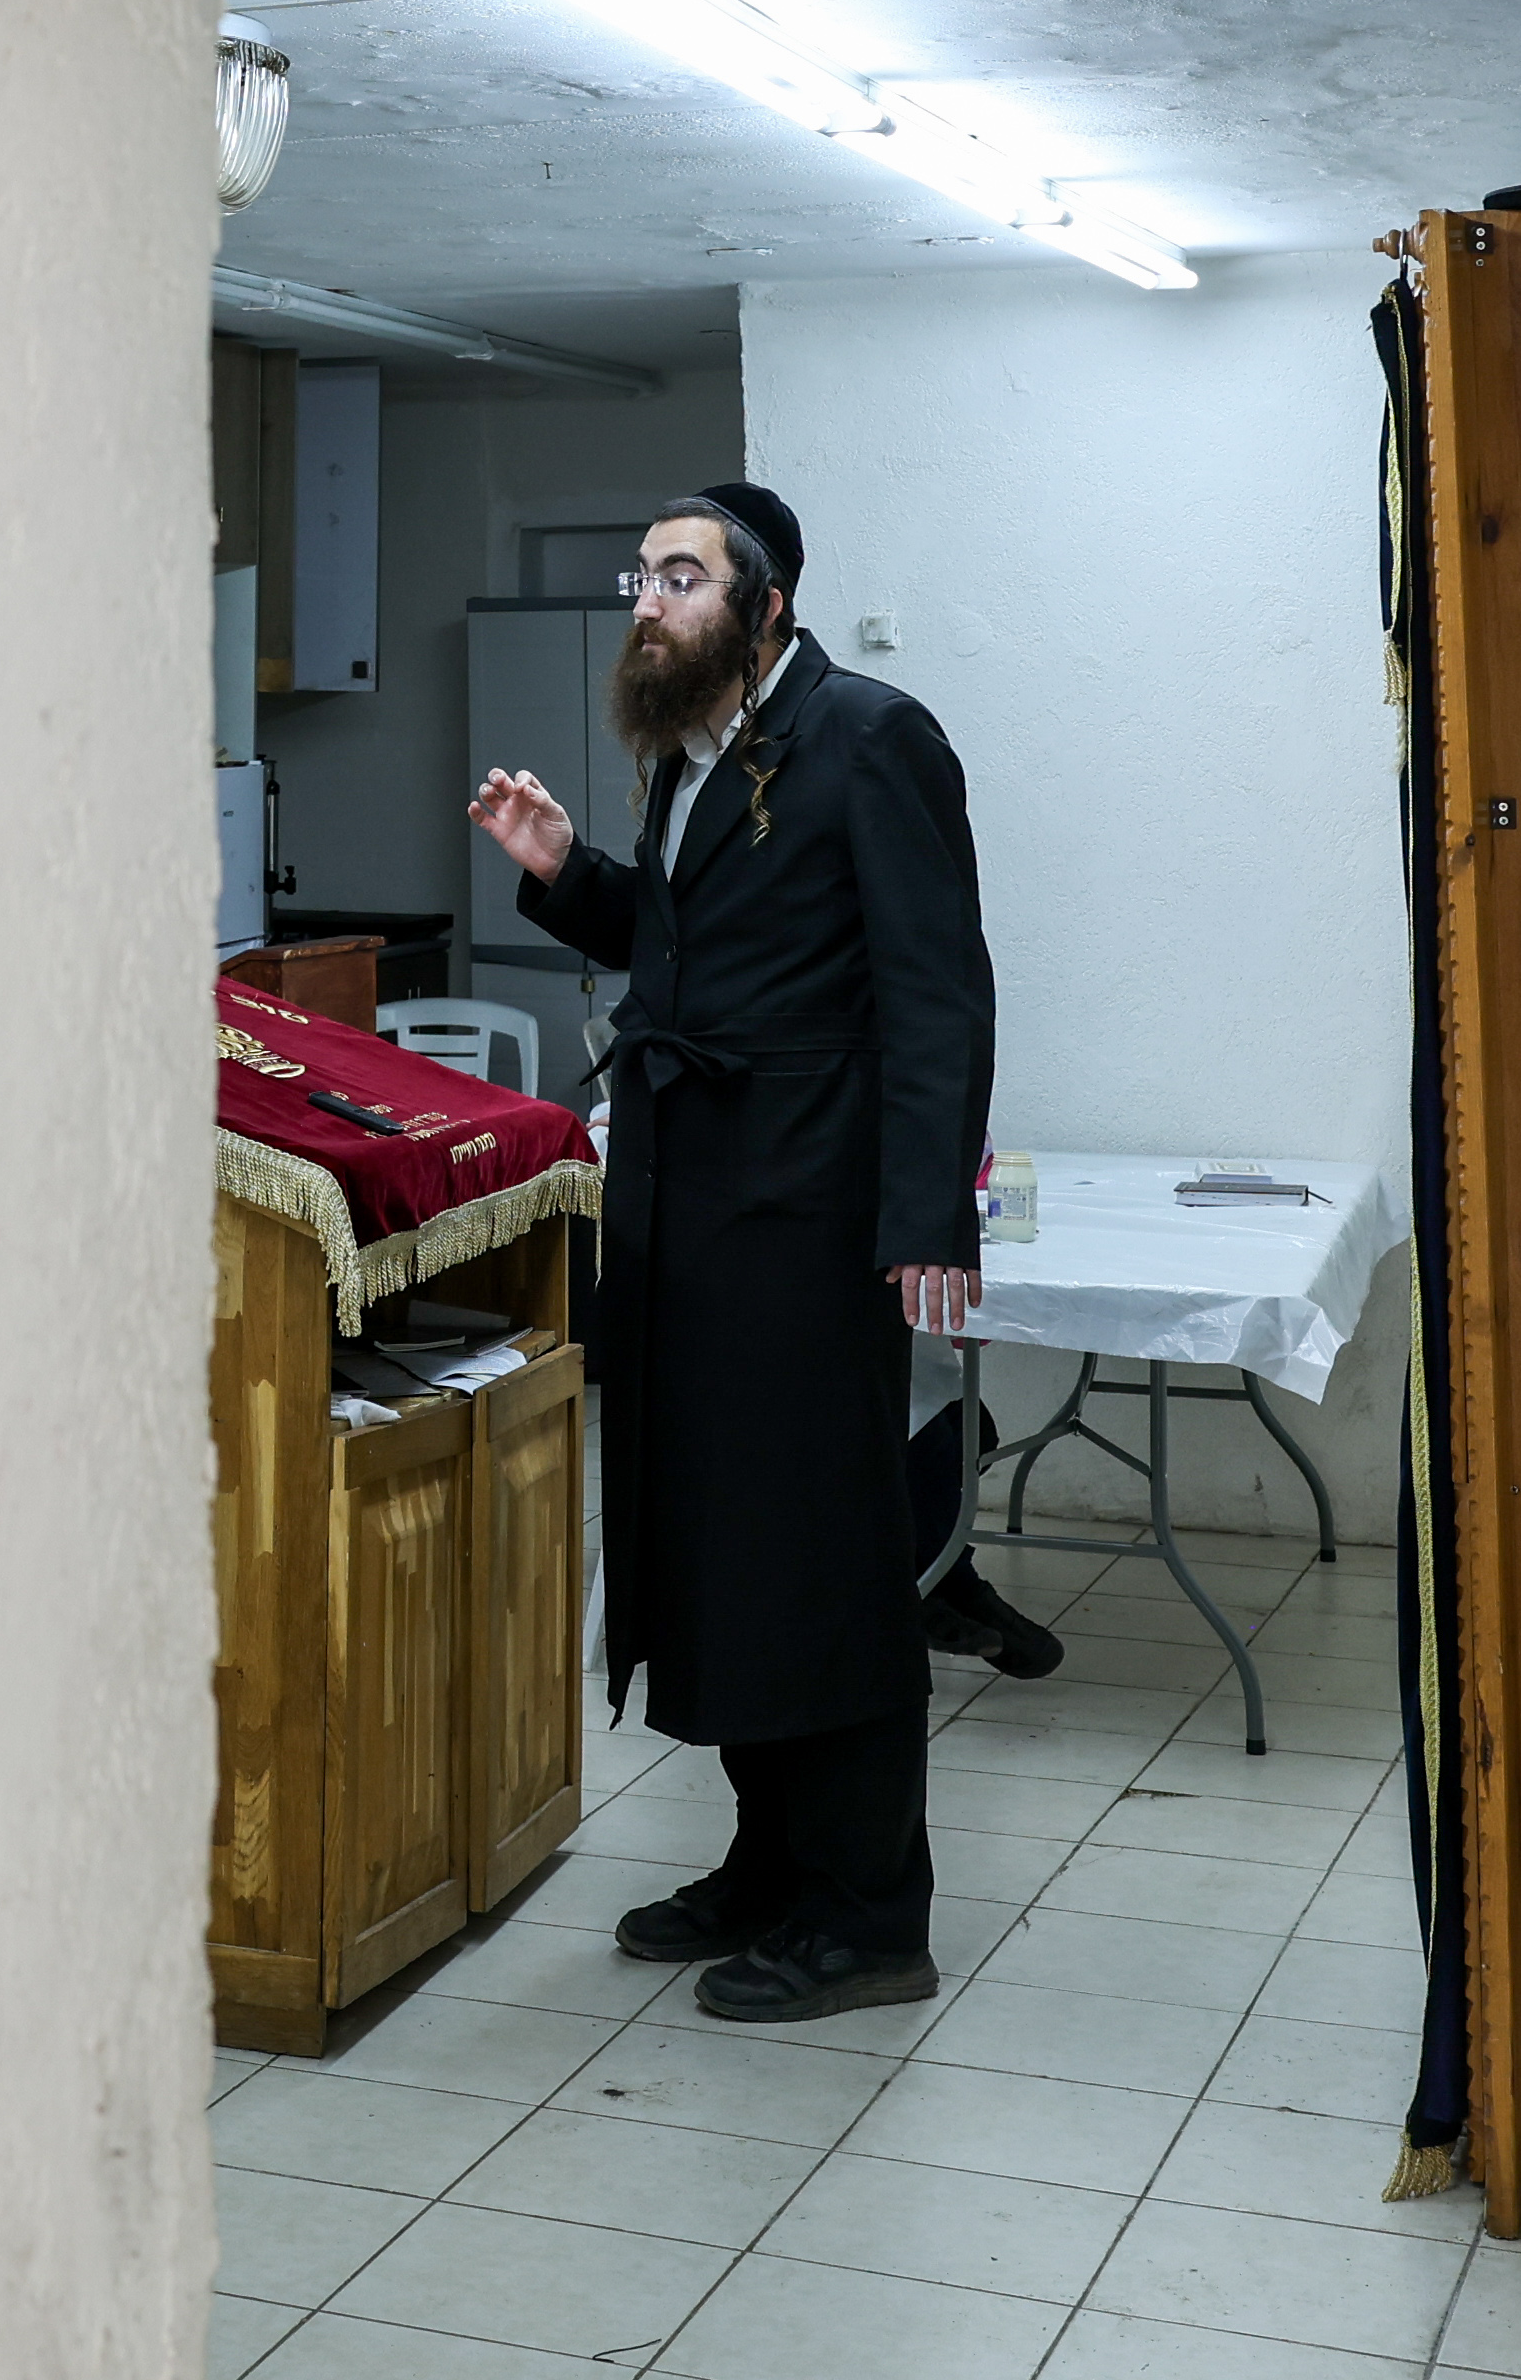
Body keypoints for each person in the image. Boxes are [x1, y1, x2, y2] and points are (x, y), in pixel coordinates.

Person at [466, 480, 1048, 2023]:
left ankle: (867, 1913)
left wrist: (930, 1211)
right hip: (686, 1217)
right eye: (638, 575)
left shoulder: (869, 736)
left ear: (767, 604)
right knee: (720, 1555)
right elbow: (690, 949)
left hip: (802, 1224)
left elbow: (940, 989)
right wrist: (568, 871)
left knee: (821, 1564)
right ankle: (770, 1864)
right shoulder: (691, 749)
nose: (647, 601)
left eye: (679, 576)